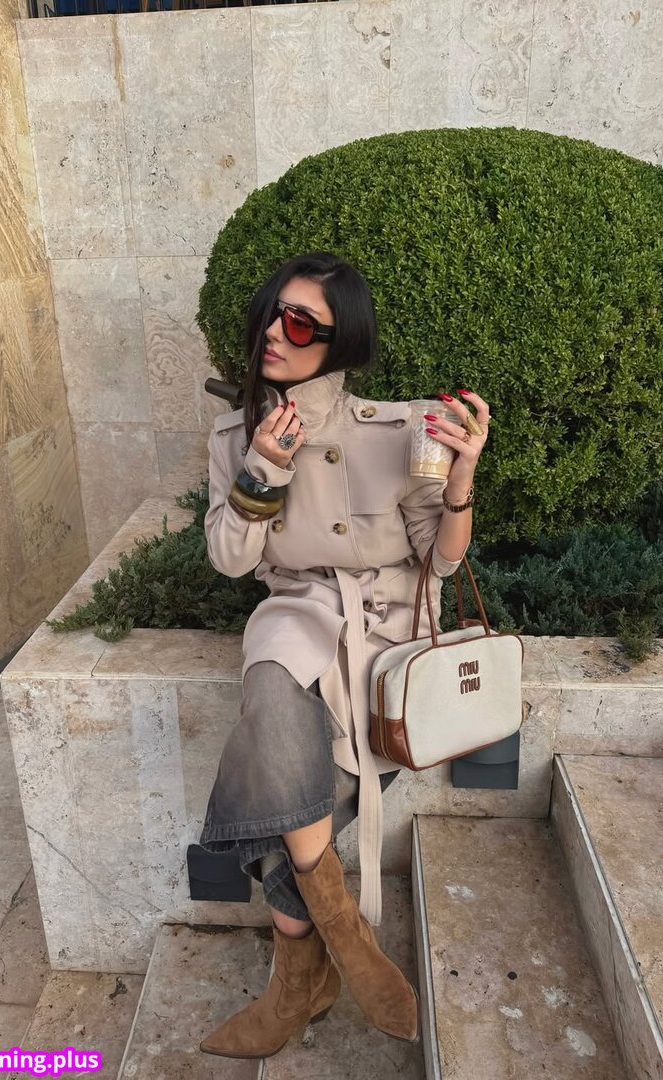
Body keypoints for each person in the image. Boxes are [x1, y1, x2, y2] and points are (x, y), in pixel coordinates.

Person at [198, 251, 490, 1059]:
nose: (274, 332)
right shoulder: (233, 436)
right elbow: (229, 559)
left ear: (341, 342)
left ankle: (296, 979)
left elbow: (441, 561)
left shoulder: (397, 430)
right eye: (272, 313)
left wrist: (460, 478)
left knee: (292, 793)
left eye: (301, 324)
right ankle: (346, 934)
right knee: (270, 682)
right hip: (294, 610)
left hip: (384, 626)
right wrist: (265, 465)